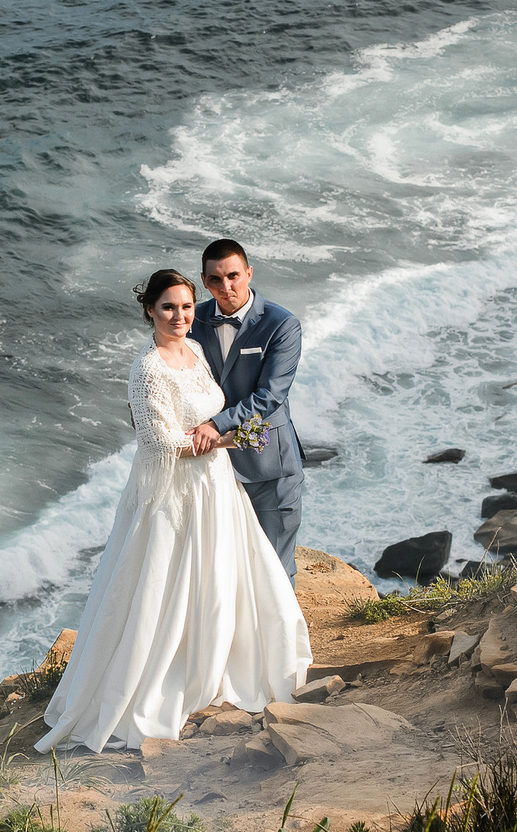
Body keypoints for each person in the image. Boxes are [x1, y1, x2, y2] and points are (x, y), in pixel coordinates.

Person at [35, 269, 311, 754]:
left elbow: (215, 411)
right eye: (168, 308)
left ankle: (217, 661)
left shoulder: (198, 350)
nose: (181, 316)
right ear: (150, 311)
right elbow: (157, 441)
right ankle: (153, 681)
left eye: (186, 306)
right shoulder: (148, 369)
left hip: (216, 487)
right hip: (174, 494)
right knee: (163, 586)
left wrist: (221, 435)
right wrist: (229, 436)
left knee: (219, 579)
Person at [187, 239, 306, 579]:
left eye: (234, 276)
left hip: (269, 465)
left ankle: (280, 634)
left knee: (273, 569)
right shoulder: (193, 319)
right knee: (221, 569)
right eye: (215, 280)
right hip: (211, 467)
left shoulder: (282, 325)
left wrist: (214, 423)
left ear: (249, 273)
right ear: (204, 281)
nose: (226, 287)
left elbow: (270, 395)